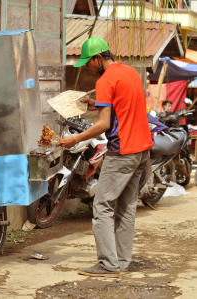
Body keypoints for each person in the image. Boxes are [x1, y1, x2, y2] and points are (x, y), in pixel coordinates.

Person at [58, 37, 154, 277]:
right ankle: (121, 261)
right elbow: (122, 107)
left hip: (122, 151)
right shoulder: (130, 73)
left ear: (99, 59)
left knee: (102, 206)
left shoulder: (105, 80)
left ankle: (107, 264)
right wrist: (95, 103)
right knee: (127, 207)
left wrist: (75, 139)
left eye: (88, 63)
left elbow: (103, 125)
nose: (87, 68)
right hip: (142, 150)